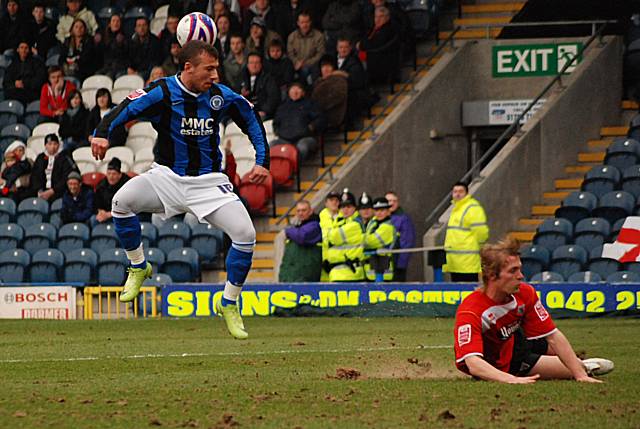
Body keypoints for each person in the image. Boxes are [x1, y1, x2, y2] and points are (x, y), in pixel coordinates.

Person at [91, 40, 270, 340]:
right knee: (121, 202)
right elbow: (126, 106)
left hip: (209, 183)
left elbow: (251, 120)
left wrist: (261, 161)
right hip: (167, 177)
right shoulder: (162, 91)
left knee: (246, 235)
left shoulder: (219, 95)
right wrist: (102, 133)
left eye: (217, 68)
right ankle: (139, 266)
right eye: (209, 69)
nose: (215, 75)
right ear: (188, 67)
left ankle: (229, 302)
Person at [454, 237, 614, 383]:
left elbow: (552, 335)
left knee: (571, 364)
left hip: (518, 338)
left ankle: (579, 365)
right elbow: (474, 364)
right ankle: (585, 365)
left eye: (519, 269)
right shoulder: (471, 311)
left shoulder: (525, 293)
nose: (521, 276)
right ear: (491, 275)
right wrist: (510, 379)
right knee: (573, 368)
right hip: (508, 363)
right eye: (513, 271)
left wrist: (580, 376)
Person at [443, 182, 489, 282]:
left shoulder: (472, 208)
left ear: (467, 193)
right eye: (455, 191)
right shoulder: (457, 208)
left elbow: (481, 233)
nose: (457, 194)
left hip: (467, 262)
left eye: (461, 191)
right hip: (455, 262)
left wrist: (477, 246)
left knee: (467, 291)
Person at [271, 81, 326, 161]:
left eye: (298, 89)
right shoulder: (283, 107)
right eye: (292, 89)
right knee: (271, 145)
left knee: (302, 147)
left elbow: (320, 118)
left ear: (303, 92)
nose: (295, 92)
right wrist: (278, 131)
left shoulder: (310, 104)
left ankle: (295, 169)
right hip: (285, 138)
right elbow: (276, 122)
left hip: (305, 137)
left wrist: (311, 127)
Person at [21, 133, 78, 202]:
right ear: (45, 145)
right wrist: (39, 190)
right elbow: (34, 176)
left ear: (58, 145)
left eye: (55, 144)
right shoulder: (40, 158)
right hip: (41, 190)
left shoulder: (64, 158)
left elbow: (66, 177)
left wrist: (53, 191)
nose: (53, 147)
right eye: (50, 144)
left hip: (57, 191)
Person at [324, 189, 365, 281]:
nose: (345, 210)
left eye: (348, 206)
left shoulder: (356, 224)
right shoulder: (340, 222)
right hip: (338, 273)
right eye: (342, 207)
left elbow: (332, 237)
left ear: (355, 208)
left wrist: (328, 233)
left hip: (350, 274)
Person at [278, 200, 322, 282]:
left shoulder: (315, 226)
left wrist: (288, 231)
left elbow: (302, 236)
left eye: (304, 210)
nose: (301, 213)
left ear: (311, 211)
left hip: (304, 277)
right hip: (292, 276)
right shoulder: (297, 227)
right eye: (298, 211)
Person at [359, 6, 400, 85]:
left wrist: (360, 45)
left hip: (379, 60)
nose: (377, 19)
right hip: (370, 56)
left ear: (387, 18)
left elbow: (374, 44)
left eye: (381, 17)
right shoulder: (375, 28)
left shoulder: (388, 29)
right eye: (376, 16)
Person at [363, 197, 397, 281]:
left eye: (382, 210)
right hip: (370, 271)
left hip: (384, 272)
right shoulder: (373, 223)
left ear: (388, 211)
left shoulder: (387, 227)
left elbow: (370, 242)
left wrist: (356, 238)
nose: (379, 213)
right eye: (377, 210)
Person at [3, 41, 47, 105]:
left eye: (26, 48)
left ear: (29, 50)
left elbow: (40, 79)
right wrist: (15, 83)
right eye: (21, 48)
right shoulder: (12, 65)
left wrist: (24, 83)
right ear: (18, 50)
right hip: (15, 92)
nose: (23, 50)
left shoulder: (37, 63)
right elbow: (6, 81)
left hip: (30, 92)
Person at [286, 11, 325, 84]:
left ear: (310, 22)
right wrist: (296, 62)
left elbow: (320, 54)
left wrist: (305, 63)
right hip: (296, 64)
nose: (305, 25)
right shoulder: (292, 36)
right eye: (302, 22)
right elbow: (290, 53)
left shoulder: (319, 36)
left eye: (307, 22)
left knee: (313, 69)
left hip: (312, 65)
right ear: (298, 23)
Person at [311, 55, 348, 130]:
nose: (325, 69)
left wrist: (317, 106)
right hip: (317, 113)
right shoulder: (318, 81)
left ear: (333, 68)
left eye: (328, 66)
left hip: (331, 114)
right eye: (323, 67)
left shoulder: (339, 80)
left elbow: (337, 96)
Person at [385, 191, 415, 282]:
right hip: (383, 263)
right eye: (389, 201)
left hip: (396, 263)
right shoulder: (379, 218)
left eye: (394, 201)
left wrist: (401, 264)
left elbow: (407, 242)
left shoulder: (403, 219)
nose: (392, 203)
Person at [241, 52, 279, 119]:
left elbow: (273, 98)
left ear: (261, 65)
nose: (254, 66)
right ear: (247, 65)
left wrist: (264, 111)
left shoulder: (268, 79)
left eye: (257, 63)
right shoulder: (242, 77)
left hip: (262, 112)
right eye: (251, 63)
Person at [93, 157, 129, 225]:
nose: (111, 177)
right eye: (109, 173)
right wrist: (100, 211)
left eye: (114, 174)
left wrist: (109, 214)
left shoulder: (127, 184)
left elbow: (128, 207)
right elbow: (97, 202)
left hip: (121, 215)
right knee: (93, 219)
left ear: (120, 175)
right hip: (106, 214)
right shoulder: (102, 185)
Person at [96, 13, 129, 80]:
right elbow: (99, 53)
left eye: (118, 21)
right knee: (96, 76)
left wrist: (120, 44)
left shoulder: (125, 36)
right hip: (106, 67)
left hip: (120, 67)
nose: (115, 23)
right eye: (113, 21)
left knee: (108, 76)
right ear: (109, 24)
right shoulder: (104, 37)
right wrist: (97, 44)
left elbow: (126, 54)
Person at [319, 190, 339, 281]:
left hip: (339, 260)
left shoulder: (345, 218)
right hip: (323, 260)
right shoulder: (319, 218)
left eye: (336, 200)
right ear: (326, 203)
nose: (334, 202)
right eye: (331, 200)